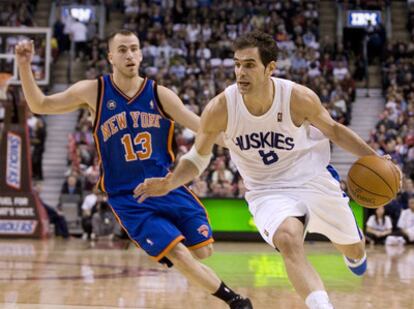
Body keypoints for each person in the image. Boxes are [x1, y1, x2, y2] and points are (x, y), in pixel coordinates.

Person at [134, 31, 402, 309]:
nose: (240, 72)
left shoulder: (297, 98)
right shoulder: (220, 108)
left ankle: (354, 245)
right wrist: (169, 183)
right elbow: (196, 159)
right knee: (287, 239)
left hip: (312, 179)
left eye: (249, 64)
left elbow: (334, 130)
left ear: (270, 68)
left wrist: (376, 159)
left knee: (355, 251)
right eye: (237, 64)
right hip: (266, 190)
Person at [15, 29, 252, 309]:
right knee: (178, 254)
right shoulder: (94, 91)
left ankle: (164, 243)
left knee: (204, 251)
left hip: (167, 186)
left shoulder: (160, 94)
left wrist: (244, 145)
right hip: (128, 197)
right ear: (110, 57)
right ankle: (235, 301)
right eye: (123, 49)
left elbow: (203, 127)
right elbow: (40, 104)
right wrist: (24, 64)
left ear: (140, 54)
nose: (129, 54)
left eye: (134, 48)